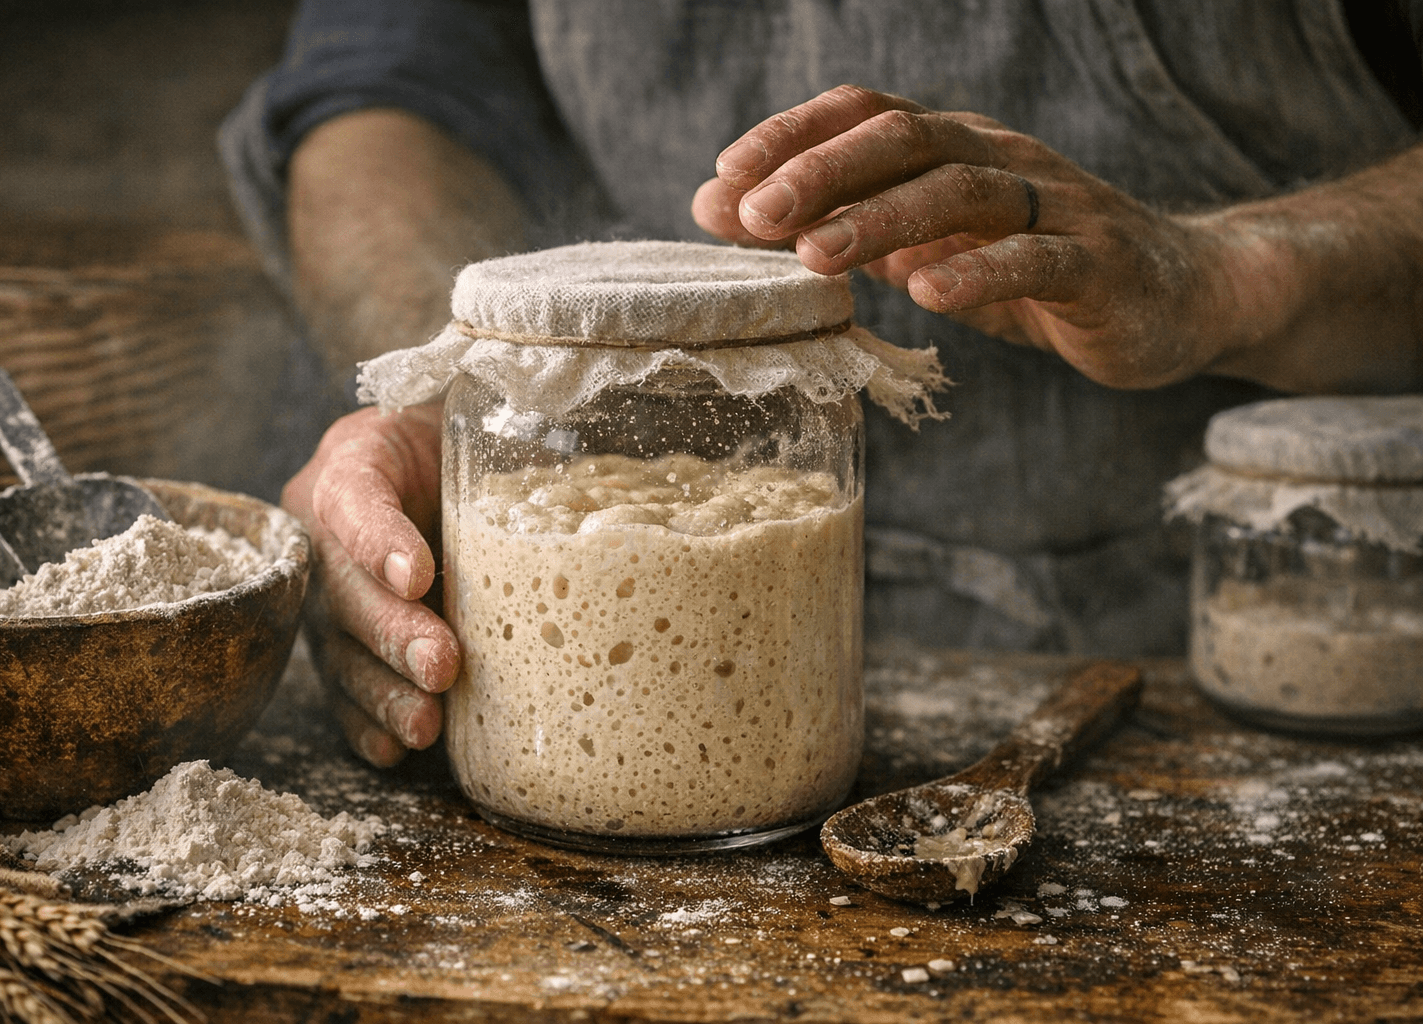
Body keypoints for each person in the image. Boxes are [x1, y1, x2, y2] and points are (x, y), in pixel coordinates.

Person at [220, 0, 1423, 766]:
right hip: (555, 722)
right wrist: (454, 387)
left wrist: (1234, 271)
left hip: (1252, 680)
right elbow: (383, 89)